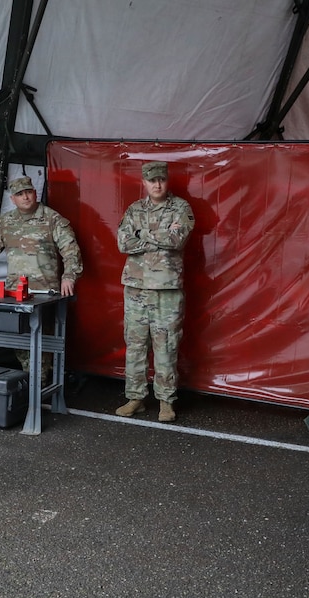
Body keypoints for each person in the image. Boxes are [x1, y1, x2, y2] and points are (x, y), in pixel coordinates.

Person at [0, 175, 83, 378]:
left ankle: (40, 382)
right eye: (20, 194)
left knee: (43, 337)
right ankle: (30, 378)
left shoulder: (52, 219)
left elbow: (71, 251)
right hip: (15, 292)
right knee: (19, 336)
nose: (26, 197)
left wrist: (69, 276)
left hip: (45, 291)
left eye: (29, 192)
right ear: (13, 199)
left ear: (35, 193)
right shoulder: (6, 222)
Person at [114, 160, 194, 423]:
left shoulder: (180, 207)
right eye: (152, 180)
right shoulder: (135, 208)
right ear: (144, 182)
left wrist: (142, 233)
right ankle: (135, 397)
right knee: (135, 345)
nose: (157, 184)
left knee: (166, 346)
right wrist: (159, 233)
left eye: (161, 179)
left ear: (166, 181)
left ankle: (166, 401)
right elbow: (123, 242)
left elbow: (176, 239)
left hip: (167, 290)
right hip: (136, 287)